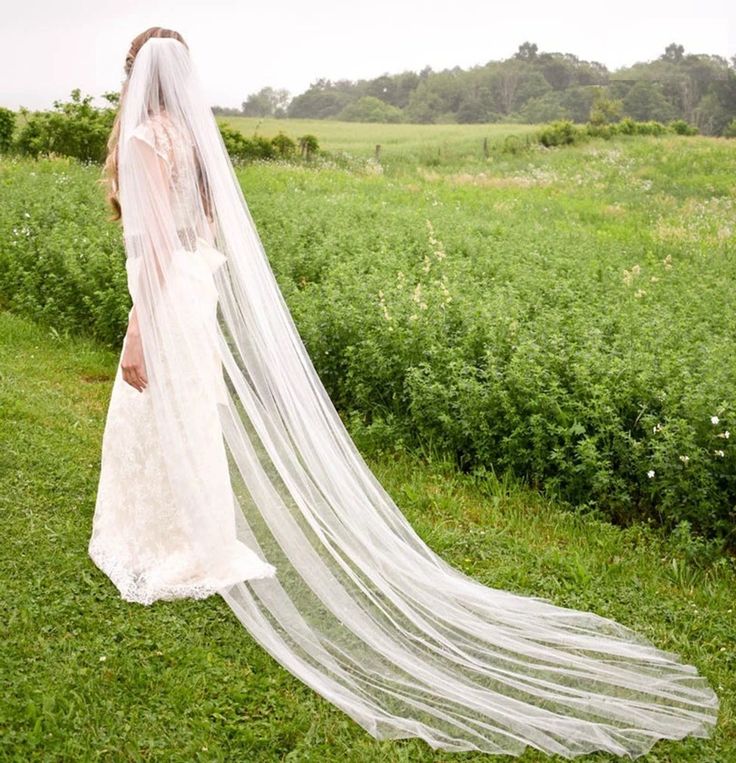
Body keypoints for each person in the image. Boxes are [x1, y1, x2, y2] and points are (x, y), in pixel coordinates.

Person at [88, 27, 719, 758]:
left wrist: (139, 326)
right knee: (186, 417)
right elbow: (204, 230)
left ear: (137, 76)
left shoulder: (142, 140)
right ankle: (195, 540)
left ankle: (166, 544)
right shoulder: (190, 138)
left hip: (167, 302)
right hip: (197, 297)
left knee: (160, 414)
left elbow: (159, 248)